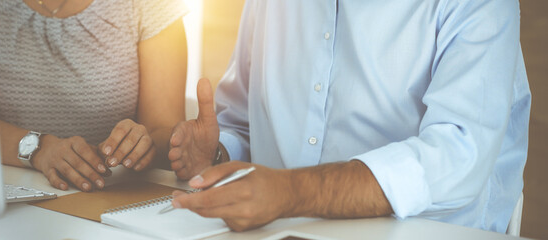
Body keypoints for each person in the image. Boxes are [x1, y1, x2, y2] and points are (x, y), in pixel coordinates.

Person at [168, 0, 531, 234]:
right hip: (274, 230)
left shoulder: (482, 5)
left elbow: (456, 158)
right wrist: (217, 155)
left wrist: (291, 192)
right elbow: (244, 122)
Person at [0, 0, 188, 192]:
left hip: (108, 195)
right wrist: (39, 150)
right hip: (6, 192)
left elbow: (166, 132)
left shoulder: (152, 4)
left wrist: (144, 146)